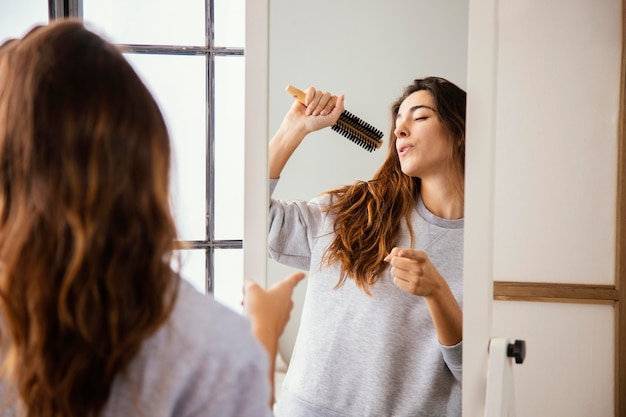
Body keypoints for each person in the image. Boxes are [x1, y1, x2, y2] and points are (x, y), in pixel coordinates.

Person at [0, 19, 303, 417]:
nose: (402, 127)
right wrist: (262, 331)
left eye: (417, 115)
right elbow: (261, 215)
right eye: (402, 115)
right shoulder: (212, 347)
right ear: (149, 163)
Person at [267, 77, 465, 416]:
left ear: (459, 130)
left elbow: (474, 372)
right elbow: (257, 223)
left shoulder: (494, 247)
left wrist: (437, 293)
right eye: (398, 122)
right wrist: (292, 130)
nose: (400, 130)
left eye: (419, 117)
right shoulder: (355, 211)